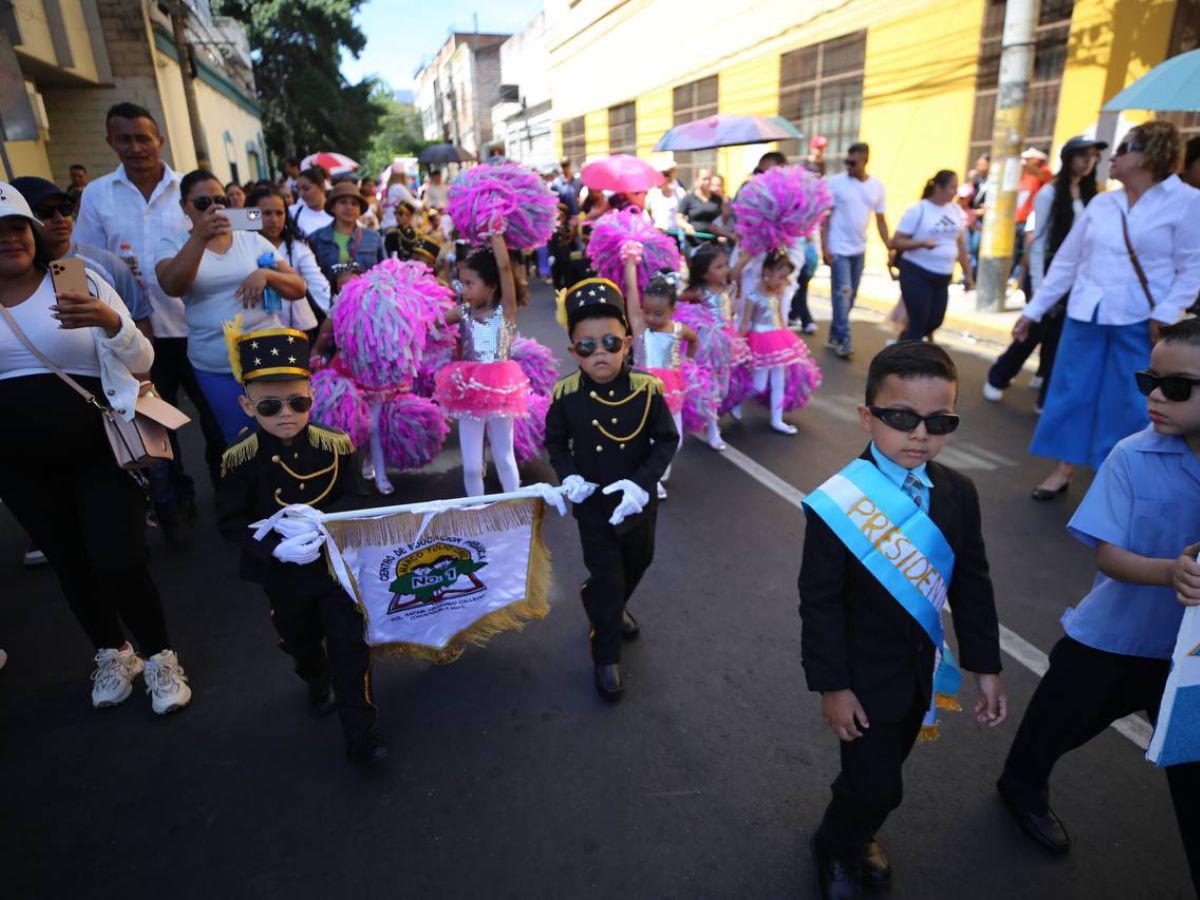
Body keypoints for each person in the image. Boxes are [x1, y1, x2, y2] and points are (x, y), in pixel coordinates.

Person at [996, 317, 1200, 892]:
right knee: (1052, 729)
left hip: (1190, 661)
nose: (1156, 396)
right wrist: (1170, 572)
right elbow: (1107, 555)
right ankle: (1021, 786)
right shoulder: (1132, 456)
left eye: (1177, 387)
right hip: (1114, 639)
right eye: (1149, 381)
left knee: (1191, 766)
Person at [799, 341, 1005, 899]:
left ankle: (858, 829)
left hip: (919, 676)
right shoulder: (840, 501)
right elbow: (819, 601)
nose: (919, 434)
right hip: (861, 677)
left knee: (880, 775)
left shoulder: (959, 493)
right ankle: (834, 843)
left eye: (938, 421)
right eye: (901, 418)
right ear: (868, 416)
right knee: (879, 786)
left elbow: (972, 582)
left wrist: (987, 666)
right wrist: (832, 686)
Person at [0, 182, 193, 714]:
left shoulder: (73, 280)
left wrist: (110, 321)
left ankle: (159, 656)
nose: (10, 239)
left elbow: (140, 360)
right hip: (19, 468)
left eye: (17, 227)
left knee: (119, 560)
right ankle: (113, 652)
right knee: (68, 563)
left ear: (34, 234)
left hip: (98, 453)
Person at [215, 325, 387, 767]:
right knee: (300, 640)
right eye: (270, 406)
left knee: (350, 648)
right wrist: (274, 546)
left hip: (333, 569)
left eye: (298, 402)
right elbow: (231, 522)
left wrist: (324, 523)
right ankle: (313, 676)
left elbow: (359, 495)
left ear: (312, 396)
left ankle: (361, 735)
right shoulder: (240, 458)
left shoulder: (336, 444)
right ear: (246, 405)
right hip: (285, 578)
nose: (286, 414)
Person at [1013, 121, 1200, 501]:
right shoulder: (1103, 202)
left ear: (1150, 155)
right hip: (1086, 313)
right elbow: (1066, 263)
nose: (1112, 157)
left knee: (1129, 401)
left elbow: (1194, 265)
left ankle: (1113, 477)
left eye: (1124, 147)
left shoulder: (1187, 202)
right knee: (1070, 393)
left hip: (1141, 320)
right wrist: (1033, 311)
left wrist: (1166, 313)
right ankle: (1063, 469)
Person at [75, 102, 225, 499]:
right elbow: (85, 260)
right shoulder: (96, 195)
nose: (136, 147)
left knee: (215, 421)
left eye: (143, 138)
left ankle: (230, 497)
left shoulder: (192, 193)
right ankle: (175, 505)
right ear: (111, 142)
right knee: (154, 427)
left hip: (194, 329)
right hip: (133, 337)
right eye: (125, 139)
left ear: (159, 140)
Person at [544, 277, 679, 700]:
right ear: (573, 352)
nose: (599, 353)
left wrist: (643, 486)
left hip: (637, 503)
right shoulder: (565, 395)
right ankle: (606, 656)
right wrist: (568, 477)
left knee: (640, 559)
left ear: (628, 341)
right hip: (594, 506)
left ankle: (615, 603)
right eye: (587, 346)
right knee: (606, 575)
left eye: (609, 342)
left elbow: (666, 440)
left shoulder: (648, 389)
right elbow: (555, 442)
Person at [154, 169, 308, 443]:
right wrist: (200, 238)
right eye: (203, 203)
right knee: (240, 438)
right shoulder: (171, 244)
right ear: (184, 207)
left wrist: (267, 275)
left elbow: (298, 287)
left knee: (285, 431)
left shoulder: (250, 239)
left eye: (220, 200)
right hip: (215, 362)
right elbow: (172, 286)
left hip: (268, 353)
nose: (214, 207)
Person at [985, 136, 1105, 410]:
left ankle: (1045, 392)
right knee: (1036, 330)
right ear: (1068, 158)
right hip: (1048, 272)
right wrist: (1039, 288)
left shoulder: (1094, 196)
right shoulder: (1049, 193)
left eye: (1093, 156)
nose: (1088, 161)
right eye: (1082, 155)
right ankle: (999, 375)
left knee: (1060, 337)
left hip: (1079, 278)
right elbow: (1037, 243)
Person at [433, 230, 528, 497]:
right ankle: (477, 511)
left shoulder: (505, 311)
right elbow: (433, 321)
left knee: (504, 457)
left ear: (491, 285)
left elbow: (505, 268)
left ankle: (515, 507)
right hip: (468, 390)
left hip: (501, 389)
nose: (463, 290)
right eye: (461, 283)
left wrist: (497, 237)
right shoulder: (463, 312)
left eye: (469, 283)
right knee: (472, 467)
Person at [626, 271, 697, 499]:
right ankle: (652, 478)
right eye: (646, 312)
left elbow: (694, 339)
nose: (651, 318)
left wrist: (688, 361)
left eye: (658, 314)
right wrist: (629, 263)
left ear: (672, 310)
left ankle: (659, 469)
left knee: (674, 439)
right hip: (644, 390)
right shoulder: (639, 327)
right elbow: (631, 292)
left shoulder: (679, 329)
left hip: (672, 390)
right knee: (647, 437)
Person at [822, 142, 890, 359]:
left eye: (854, 162)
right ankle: (844, 339)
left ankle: (834, 333)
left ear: (865, 160)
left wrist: (890, 247)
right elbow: (826, 218)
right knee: (843, 293)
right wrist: (824, 246)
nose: (849, 166)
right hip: (838, 247)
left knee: (850, 297)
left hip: (859, 248)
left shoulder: (877, 187)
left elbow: (880, 220)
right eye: (847, 162)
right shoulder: (836, 183)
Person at [889, 170, 974, 342]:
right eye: (952, 187)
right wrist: (921, 244)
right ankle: (906, 362)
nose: (955, 192)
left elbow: (960, 245)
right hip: (916, 272)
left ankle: (901, 344)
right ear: (939, 188)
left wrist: (968, 274)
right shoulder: (918, 210)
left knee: (935, 320)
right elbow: (896, 242)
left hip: (943, 276)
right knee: (918, 322)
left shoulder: (955, 211)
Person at [247, 184, 330, 339]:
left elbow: (316, 281)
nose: (274, 220)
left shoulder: (298, 247)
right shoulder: (242, 245)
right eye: (266, 213)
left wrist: (336, 313)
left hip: (298, 327)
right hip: (256, 330)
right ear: (251, 214)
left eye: (279, 213)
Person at [309, 182, 385, 291]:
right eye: (343, 202)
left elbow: (384, 274)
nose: (349, 207)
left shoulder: (374, 237)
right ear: (333, 207)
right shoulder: (316, 239)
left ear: (360, 210)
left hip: (366, 304)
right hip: (328, 304)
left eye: (354, 203)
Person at [679, 169, 725, 241]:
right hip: (694, 240)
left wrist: (722, 234)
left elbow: (722, 219)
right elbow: (679, 219)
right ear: (697, 180)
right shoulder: (688, 198)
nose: (707, 182)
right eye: (704, 179)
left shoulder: (717, 199)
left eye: (709, 179)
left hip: (713, 241)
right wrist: (686, 226)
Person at [289, 166, 333, 237]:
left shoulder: (338, 213)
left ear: (322, 187)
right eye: (298, 189)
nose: (301, 194)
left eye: (306, 189)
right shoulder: (293, 212)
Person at [645, 168, 686, 234]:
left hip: (675, 233)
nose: (667, 178)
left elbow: (685, 213)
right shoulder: (652, 193)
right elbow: (647, 214)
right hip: (658, 233)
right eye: (665, 175)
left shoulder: (679, 192)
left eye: (669, 175)